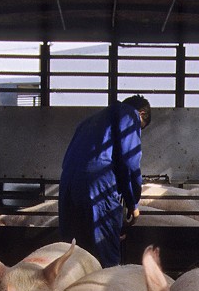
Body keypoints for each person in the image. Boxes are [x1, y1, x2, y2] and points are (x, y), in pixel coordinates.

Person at [57, 94, 151, 267]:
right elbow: (129, 162)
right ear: (142, 113)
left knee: (72, 251)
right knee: (104, 253)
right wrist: (133, 203)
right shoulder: (129, 115)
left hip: (68, 184)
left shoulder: (90, 121)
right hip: (97, 183)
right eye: (141, 129)